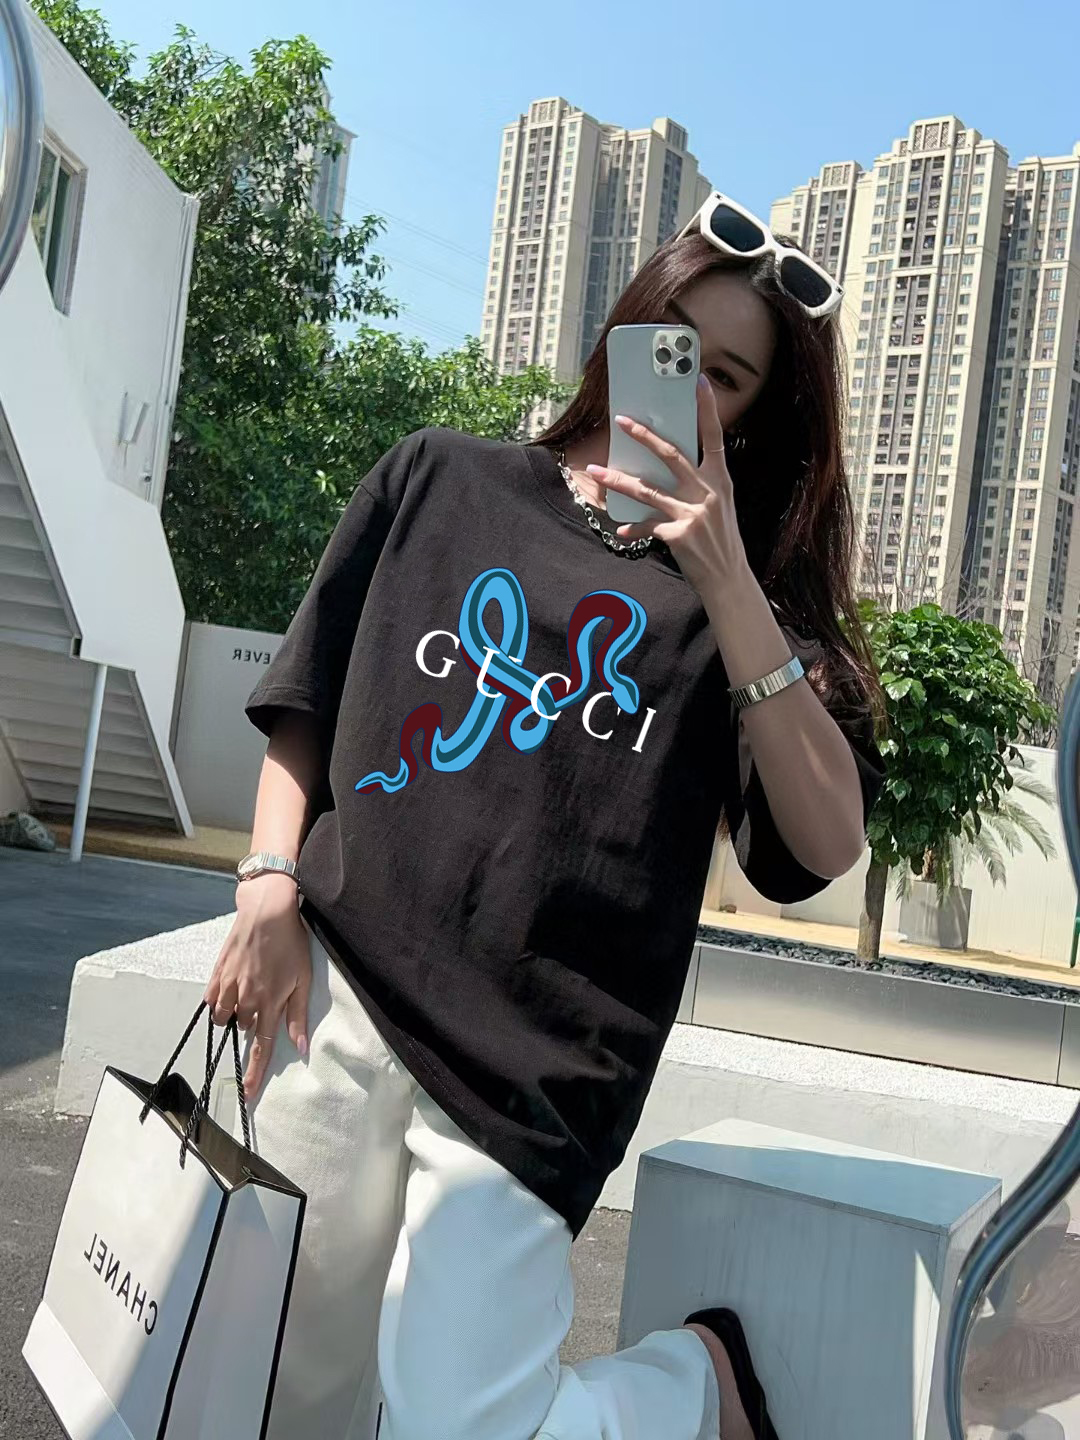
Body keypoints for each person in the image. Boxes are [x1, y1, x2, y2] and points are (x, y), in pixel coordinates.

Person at [205, 189, 886, 1440]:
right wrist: (265, 881)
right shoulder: (443, 478)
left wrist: (727, 577)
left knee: (467, 1421)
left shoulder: (747, 617)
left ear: (756, 416)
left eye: (726, 377)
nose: (686, 387)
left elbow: (827, 843)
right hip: (338, 993)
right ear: (626, 327)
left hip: (537, 1068)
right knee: (272, 1384)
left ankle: (695, 1388)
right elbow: (307, 697)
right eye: (674, 342)